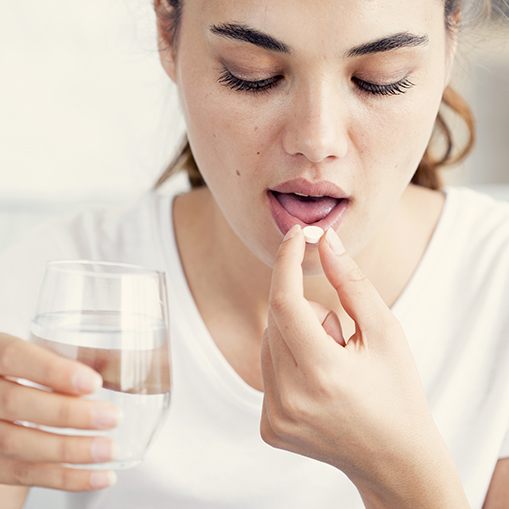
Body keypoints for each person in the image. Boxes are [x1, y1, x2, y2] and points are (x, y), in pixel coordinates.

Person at [0, 0, 508, 507]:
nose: (317, 141)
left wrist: (400, 474)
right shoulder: (44, 291)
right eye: (253, 75)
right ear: (166, 32)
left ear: (449, 44)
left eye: (380, 79)